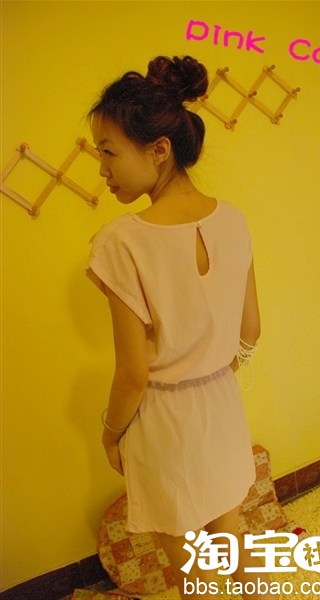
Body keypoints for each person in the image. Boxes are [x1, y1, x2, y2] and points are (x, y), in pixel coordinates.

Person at [86, 55, 276, 599]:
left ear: (159, 149)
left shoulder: (122, 241)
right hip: (221, 406)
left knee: (195, 571)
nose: (101, 170)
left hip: (163, 421)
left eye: (108, 152)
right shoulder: (233, 219)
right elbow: (251, 330)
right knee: (231, 545)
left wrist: (109, 433)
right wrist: (212, 371)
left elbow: (133, 373)